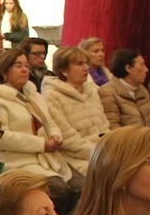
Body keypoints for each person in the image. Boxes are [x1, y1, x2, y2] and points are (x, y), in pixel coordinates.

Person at [0, 47, 76, 196]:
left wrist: (55, 136)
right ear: (4, 71)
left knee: (83, 184)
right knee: (60, 190)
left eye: (26, 66)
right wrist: (42, 144)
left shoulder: (34, 96)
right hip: (17, 162)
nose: (24, 70)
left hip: (48, 158)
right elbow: (1, 137)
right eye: (18, 66)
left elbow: (50, 122)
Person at [42, 45, 110, 179]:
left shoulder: (92, 91)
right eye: (79, 64)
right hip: (75, 157)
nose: (86, 68)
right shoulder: (52, 96)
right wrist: (98, 153)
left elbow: (105, 127)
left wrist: (113, 147)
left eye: (86, 63)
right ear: (64, 71)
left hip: (102, 150)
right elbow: (68, 141)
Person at [99, 48, 150, 128]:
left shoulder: (142, 90)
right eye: (142, 65)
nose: (146, 70)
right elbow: (113, 127)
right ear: (128, 68)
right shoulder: (108, 92)